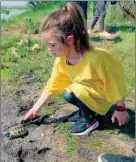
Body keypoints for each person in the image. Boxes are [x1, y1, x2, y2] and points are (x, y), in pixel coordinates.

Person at [24, 2, 129, 136]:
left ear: (69, 40)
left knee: (76, 89)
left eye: (52, 45)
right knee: (68, 93)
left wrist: (120, 108)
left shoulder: (97, 58)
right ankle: (87, 111)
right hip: (87, 93)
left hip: (102, 97)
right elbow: (52, 85)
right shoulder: (61, 61)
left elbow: (116, 82)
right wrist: (35, 109)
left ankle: (91, 121)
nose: (49, 49)